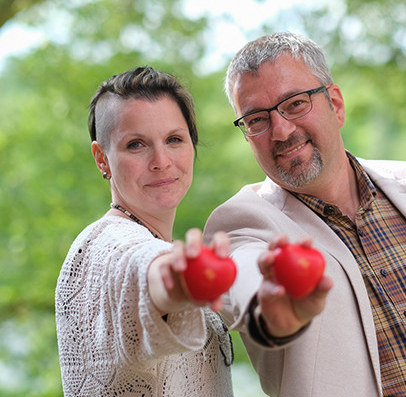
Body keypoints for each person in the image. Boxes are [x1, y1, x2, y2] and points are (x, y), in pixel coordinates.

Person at [203, 31, 406, 396]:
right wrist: (270, 309)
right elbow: (245, 275)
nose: (281, 130)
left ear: (336, 105)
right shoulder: (242, 221)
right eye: (257, 120)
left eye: (295, 104)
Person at [55, 66, 303, 396]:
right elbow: (140, 269)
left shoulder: (150, 239)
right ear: (102, 159)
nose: (161, 161)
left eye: (174, 140)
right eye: (135, 145)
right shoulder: (105, 247)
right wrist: (178, 278)